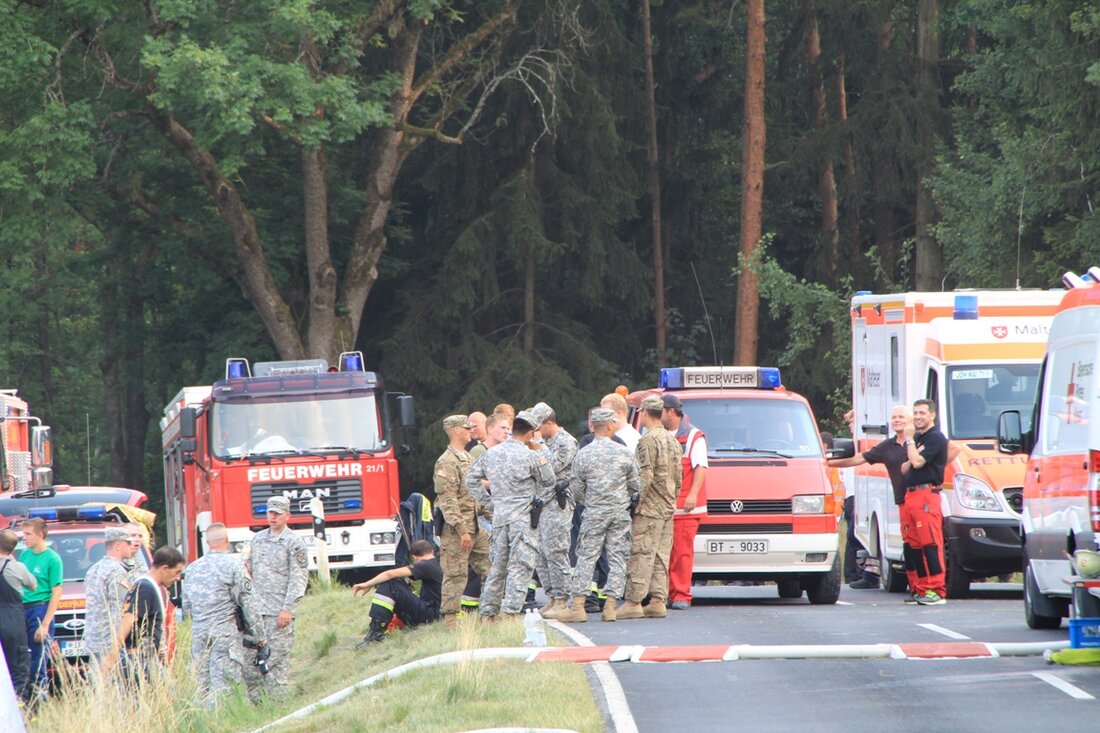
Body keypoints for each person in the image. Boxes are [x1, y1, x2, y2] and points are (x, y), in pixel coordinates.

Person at [465, 410, 556, 618]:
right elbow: (549, 480)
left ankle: (488, 614)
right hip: (522, 519)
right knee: (520, 566)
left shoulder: (492, 453)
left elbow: (471, 479)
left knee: (497, 568)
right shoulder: (530, 455)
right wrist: (540, 451)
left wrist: (490, 503)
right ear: (530, 433)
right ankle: (510, 613)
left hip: (499, 518)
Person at [560, 407, 639, 623]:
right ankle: (611, 607)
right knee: (617, 558)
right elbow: (635, 486)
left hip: (593, 513)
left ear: (593, 425)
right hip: (618, 514)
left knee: (586, 557)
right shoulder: (624, 453)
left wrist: (591, 502)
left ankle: (578, 606)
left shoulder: (583, 453)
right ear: (612, 426)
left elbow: (576, 489)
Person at [828, 405, 913, 590]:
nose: (897, 420)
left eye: (902, 417)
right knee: (909, 544)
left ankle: (933, 587)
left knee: (924, 544)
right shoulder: (887, 446)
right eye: (894, 417)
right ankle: (918, 587)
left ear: (911, 420)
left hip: (921, 498)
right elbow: (858, 459)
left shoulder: (920, 442)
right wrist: (826, 463)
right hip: (902, 501)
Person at [183, 523, 266, 708]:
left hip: (198, 635)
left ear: (207, 542)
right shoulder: (234, 565)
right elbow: (249, 603)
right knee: (224, 687)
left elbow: (186, 607)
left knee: (200, 686)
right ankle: (221, 724)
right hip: (224, 633)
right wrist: (260, 636)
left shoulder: (192, 569)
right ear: (227, 541)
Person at [619, 396, 683, 619]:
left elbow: (643, 478)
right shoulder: (673, 440)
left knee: (641, 553)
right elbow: (679, 477)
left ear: (645, 412)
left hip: (649, 508)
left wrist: (633, 503)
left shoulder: (647, 441)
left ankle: (634, 601)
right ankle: (657, 599)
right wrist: (671, 499)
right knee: (661, 555)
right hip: (667, 507)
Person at [243, 496, 309, 701]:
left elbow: (298, 578)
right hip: (255, 612)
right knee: (250, 662)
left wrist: (288, 609)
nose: (272, 517)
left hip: (277, 611)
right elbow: (248, 570)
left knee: (275, 662)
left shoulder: (294, 543)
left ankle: (278, 707)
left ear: (287, 516)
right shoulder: (258, 539)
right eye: (270, 512)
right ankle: (256, 709)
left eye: (277, 514)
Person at [434, 415, 490, 627]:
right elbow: (447, 501)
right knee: (455, 574)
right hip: (457, 531)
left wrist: (491, 516)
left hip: (476, 527)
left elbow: (476, 493)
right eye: (467, 428)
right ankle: (450, 621)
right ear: (456, 431)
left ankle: (489, 614)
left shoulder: (467, 457)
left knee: (490, 569)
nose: (471, 431)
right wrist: (461, 530)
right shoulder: (446, 462)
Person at [527, 402, 578, 620]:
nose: (535, 433)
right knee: (541, 554)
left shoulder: (565, 442)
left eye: (538, 428)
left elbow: (550, 469)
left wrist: (537, 448)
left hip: (558, 503)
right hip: (541, 504)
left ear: (549, 422)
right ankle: (551, 597)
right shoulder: (544, 442)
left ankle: (563, 600)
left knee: (556, 552)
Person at [103, 546, 185, 681]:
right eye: (177, 572)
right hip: (138, 661)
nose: (178, 578)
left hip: (145, 658)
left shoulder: (145, 586)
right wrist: (112, 657)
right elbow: (129, 619)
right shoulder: (146, 588)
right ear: (164, 569)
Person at [900, 399, 950, 605]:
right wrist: (913, 454)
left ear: (932, 415)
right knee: (915, 545)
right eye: (915, 413)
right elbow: (905, 467)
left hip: (926, 495)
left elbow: (917, 462)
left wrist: (910, 442)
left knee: (930, 542)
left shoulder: (935, 437)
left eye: (922, 413)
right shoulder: (920, 438)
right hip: (911, 495)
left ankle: (936, 589)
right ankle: (920, 588)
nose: (918, 417)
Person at [661, 394, 708, 610]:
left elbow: (700, 468)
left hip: (686, 507)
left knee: (681, 552)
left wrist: (692, 495)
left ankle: (681, 594)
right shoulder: (660, 435)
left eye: (660, 411)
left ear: (671, 412)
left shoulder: (693, 437)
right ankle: (668, 592)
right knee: (666, 553)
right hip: (666, 506)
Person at [353, 540, 443, 643]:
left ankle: (376, 633)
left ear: (414, 557)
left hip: (431, 615)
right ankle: (383, 627)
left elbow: (390, 574)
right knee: (398, 585)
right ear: (431, 551)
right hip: (437, 613)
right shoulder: (437, 564)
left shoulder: (424, 565)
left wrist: (368, 584)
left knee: (391, 585)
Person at [19, 517, 62, 702]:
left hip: (40, 608)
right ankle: (25, 697)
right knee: (23, 655)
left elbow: (57, 592)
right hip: (22, 608)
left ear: (39, 535)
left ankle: (40, 698)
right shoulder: (24, 555)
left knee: (38, 658)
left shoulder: (52, 558)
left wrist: (45, 624)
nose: (24, 538)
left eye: (27, 534)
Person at [83, 526, 137, 665]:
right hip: (109, 642)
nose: (132, 546)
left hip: (93, 639)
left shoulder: (93, 569)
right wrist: (121, 641)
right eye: (128, 543)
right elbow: (120, 609)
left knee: (97, 683)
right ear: (118, 545)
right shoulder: (117, 571)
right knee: (113, 683)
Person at [0, 529, 35, 703]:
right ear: (12, 549)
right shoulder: (16, 567)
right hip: (13, 618)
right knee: (18, 665)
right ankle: (20, 705)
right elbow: (33, 585)